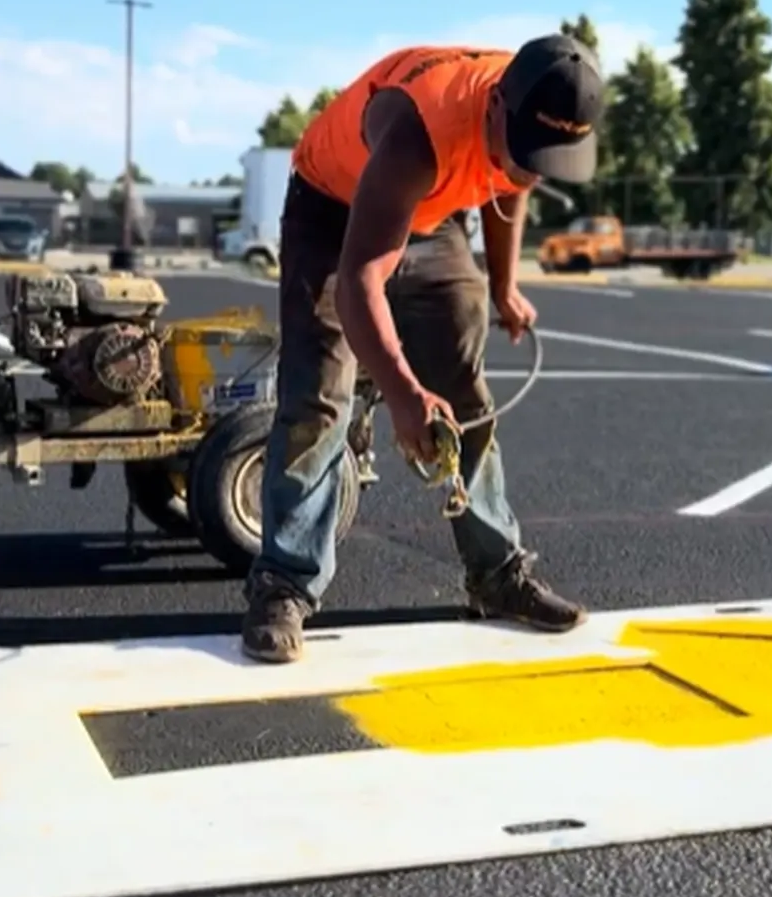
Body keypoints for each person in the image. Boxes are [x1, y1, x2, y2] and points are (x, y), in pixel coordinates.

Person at [242, 33, 606, 663]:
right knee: (319, 398)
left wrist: (503, 284)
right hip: (335, 208)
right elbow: (359, 281)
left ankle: (497, 575)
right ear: (495, 107)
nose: (529, 169)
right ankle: (285, 583)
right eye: (525, 152)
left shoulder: (533, 98)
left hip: (432, 219)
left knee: (466, 393)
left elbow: (511, 182)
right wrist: (406, 394)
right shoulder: (419, 128)